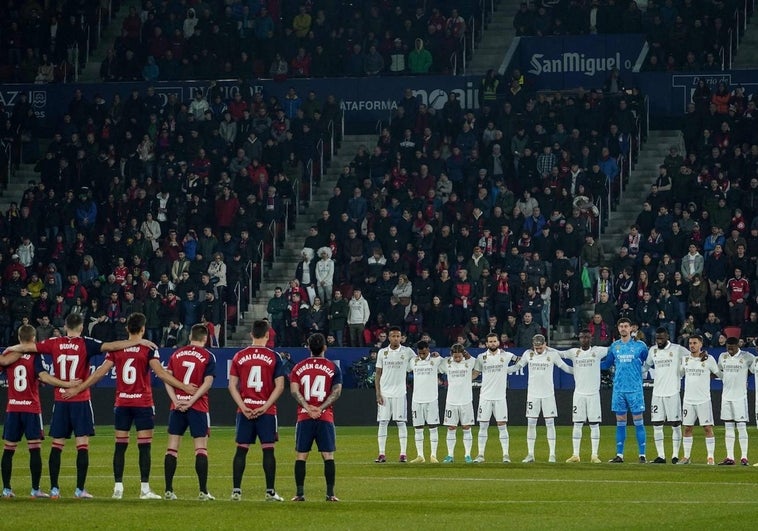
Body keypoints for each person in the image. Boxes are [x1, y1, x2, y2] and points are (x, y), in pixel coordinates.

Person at [1, 313, 157, 499]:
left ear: (65, 326)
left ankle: (54, 489)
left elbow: (29, 347)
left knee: (57, 444)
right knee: (82, 445)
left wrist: (11, 347)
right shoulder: (86, 343)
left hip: (60, 400)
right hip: (81, 399)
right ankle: (79, 489)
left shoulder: (54, 342)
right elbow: (112, 346)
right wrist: (138, 342)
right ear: (82, 327)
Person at [60, 312, 196, 500]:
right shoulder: (148, 348)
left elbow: (100, 373)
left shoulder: (117, 349)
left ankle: (118, 488)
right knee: (144, 447)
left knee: (120, 446)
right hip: (142, 403)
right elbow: (161, 374)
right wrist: (184, 387)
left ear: (126, 329)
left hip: (122, 402)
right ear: (143, 329)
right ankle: (145, 489)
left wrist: (79, 388)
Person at [0, 325, 77, 498]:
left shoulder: (7, 355)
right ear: (34, 338)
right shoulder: (35, 356)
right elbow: (44, 377)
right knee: (34, 449)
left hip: (12, 407)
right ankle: (35, 489)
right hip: (31, 409)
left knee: (8, 449)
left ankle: (6, 489)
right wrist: (66, 384)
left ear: (19, 338)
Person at [228, 319, 286, 502]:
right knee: (268, 450)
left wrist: (244, 406)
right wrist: (265, 406)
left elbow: (232, 385)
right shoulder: (274, 357)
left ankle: (236, 491)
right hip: (266, 412)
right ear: (268, 336)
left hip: (245, 409)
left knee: (241, 450)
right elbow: (280, 386)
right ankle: (270, 492)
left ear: (251, 334)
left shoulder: (239, 356)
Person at [163, 324, 216, 500]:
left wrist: (176, 400)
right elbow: (207, 383)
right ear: (205, 338)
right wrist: (191, 401)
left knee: (172, 448)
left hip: (177, 407)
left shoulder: (176, 354)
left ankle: (168, 490)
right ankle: (203, 491)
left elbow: (167, 379)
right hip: (198, 407)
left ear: (190, 337)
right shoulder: (208, 356)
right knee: (200, 448)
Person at [289, 333, 343, 502]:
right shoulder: (333, 368)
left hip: (304, 416)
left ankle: (299, 493)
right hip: (325, 416)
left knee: (301, 455)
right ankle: (330, 494)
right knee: (328, 455)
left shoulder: (298, 367)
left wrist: (308, 408)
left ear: (308, 347)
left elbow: (294, 390)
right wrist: (319, 408)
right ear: (325, 348)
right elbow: (337, 391)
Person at [511, 334, 573, 462]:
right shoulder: (528, 354)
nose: (538, 350)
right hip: (532, 394)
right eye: (536, 348)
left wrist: (580, 370)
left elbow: (565, 367)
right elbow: (517, 367)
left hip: (548, 395)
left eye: (540, 348)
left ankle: (552, 454)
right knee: (531, 423)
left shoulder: (552, 354)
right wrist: (502, 370)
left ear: (545, 344)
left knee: (550, 424)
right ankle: (530, 454)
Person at [555, 329, 608, 463]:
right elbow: (559, 353)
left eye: (587, 337)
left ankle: (594, 455)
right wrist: (545, 347)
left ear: (591, 338)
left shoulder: (598, 351)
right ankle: (575, 455)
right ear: (579, 339)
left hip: (594, 394)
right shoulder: (574, 353)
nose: (585, 339)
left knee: (594, 424)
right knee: (577, 424)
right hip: (579, 394)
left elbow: (614, 349)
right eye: (582, 337)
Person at [605, 317, 649, 463]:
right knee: (620, 422)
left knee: (638, 421)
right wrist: (589, 365)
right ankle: (619, 455)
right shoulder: (614, 347)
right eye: (621, 326)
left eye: (626, 326)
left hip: (635, 389)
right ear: (618, 329)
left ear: (631, 328)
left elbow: (649, 361)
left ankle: (642, 455)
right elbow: (607, 364)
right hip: (619, 390)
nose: (623, 328)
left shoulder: (640, 346)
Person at [643, 328, 688, 464]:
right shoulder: (653, 350)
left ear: (667, 336)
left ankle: (675, 455)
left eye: (661, 338)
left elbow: (692, 356)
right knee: (657, 424)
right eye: (657, 338)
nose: (659, 341)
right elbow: (646, 366)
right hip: (657, 393)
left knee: (675, 424)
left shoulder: (678, 349)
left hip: (672, 392)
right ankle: (661, 456)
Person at [473, 333, 518, 463]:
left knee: (502, 425)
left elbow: (520, 361)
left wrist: (508, 370)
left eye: (494, 341)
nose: (492, 343)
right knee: (483, 426)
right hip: (485, 397)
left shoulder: (507, 355)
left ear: (498, 342)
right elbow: (476, 373)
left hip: (500, 398)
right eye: (490, 342)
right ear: (487, 344)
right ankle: (480, 455)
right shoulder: (481, 357)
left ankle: (505, 455)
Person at [678, 335, 721, 465]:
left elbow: (718, 374)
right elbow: (680, 374)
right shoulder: (685, 359)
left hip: (703, 400)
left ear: (701, 344)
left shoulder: (709, 359)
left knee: (707, 428)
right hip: (688, 400)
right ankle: (686, 457)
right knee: (687, 428)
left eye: (695, 343)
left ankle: (710, 457)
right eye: (690, 343)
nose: (692, 345)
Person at [374, 326, 414, 463]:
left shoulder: (407, 351)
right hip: (385, 393)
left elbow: (420, 360)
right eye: (393, 336)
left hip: (400, 393)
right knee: (383, 422)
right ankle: (381, 453)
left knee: (401, 422)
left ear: (401, 337)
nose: (396, 338)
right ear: (389, 337)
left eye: (398, 336)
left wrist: (432, 356)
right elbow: (378, 374)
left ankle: (403, 454)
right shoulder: (382, 353)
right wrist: (378, 393)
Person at [716, 337, 755, 465]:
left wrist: (743, 379)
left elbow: (753, 370)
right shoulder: (723, 356)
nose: (730, 350)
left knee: (741, 426)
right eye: (728, 347)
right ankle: (730, 457)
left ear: (738, 345)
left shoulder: (747, 356)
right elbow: (720, 371)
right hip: (726, 397)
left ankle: (744, 457)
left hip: (740, 397)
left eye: (732, 347)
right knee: (728, 426)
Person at [441, 343, 479, 463]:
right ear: (451, 355)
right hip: (451, 401)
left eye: (459, 356)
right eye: (455, 357)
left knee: (466, 427)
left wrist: (467, 355)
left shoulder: (470, 361)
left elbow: (477, 367)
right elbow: (435, 365)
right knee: (451, 428)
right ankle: (450, 455)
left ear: (463, 354)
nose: (457, 359)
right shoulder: (446, 363)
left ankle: (468, 455)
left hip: (466, 400)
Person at [408, 340, 443, 463]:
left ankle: (433, 455)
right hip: (416, 399)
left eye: (423, 353)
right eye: (420, 353)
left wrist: (438, 355)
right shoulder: (413, 361)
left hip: (432, 399)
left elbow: (446, 365)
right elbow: (406, 368)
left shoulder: (436, 360)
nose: (421, 355)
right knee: (418, 427)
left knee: (433, 427)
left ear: (428, 350)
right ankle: (420, 456)